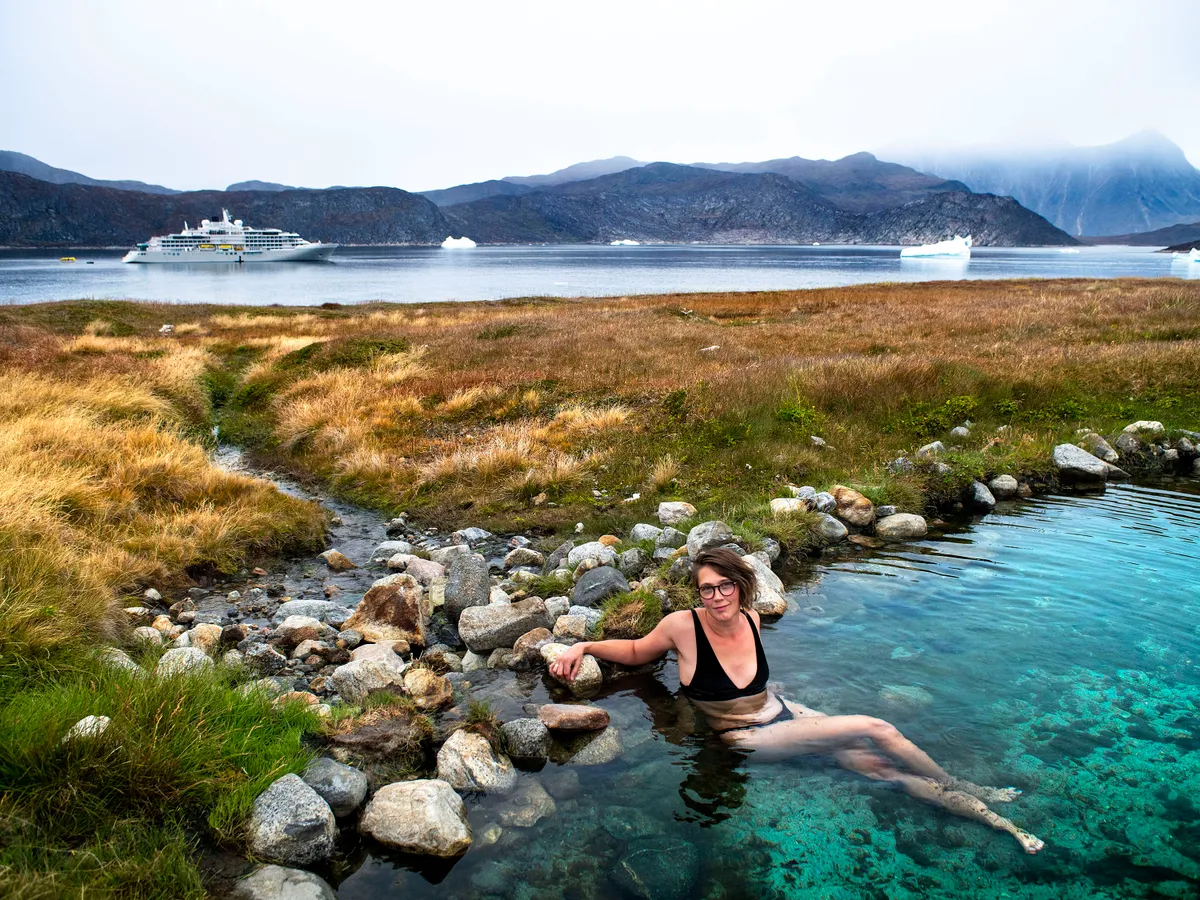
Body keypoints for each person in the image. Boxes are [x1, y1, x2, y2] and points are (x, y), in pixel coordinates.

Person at [548, 547, 1044, 854]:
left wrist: (782, 700)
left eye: (724, 586)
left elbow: (754, 681)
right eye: (706, 590)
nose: (716, 597)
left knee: (879, 767)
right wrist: (583, 645)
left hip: (784, 714)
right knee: (879, 729)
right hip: (743, 736)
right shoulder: (683, 626)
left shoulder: (753, 620)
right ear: (697, 594)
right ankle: (962, 784)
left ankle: (994, 819)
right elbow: (636, 652)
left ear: (741, 588)